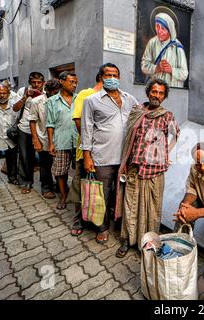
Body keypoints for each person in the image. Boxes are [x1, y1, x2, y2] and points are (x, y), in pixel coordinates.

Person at [115, 78, 180, 258]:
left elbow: (176, 135)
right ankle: (128, 240)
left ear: (164, 96)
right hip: (134, 167)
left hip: (154, 172)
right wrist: (126, 163)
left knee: (151, 208)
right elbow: (129, 138)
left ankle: (148, 243)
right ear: (148, 92)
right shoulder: (137, 111)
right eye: (154, 91)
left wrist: (164, 155)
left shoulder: (167, 116)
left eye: (160, 93)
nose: (156, 95)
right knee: (131, 206)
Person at [81, 63, 138, 242]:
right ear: (101, 77)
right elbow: (86, 128)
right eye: (108, 75)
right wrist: (87, 156)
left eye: (115, 75)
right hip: (102, 156)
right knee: (102, 194)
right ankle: (102, 227)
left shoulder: (130, 99)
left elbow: (140, 118)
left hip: (125, 158)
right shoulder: (92, 100)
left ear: (119, 77)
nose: (112, 78)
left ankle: (119, 222)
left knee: (121, 193)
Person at [68, 72, 103, 236]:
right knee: (81, 187)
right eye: (109, 76)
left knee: (98, 189)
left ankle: (97, 220)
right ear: (102, 78)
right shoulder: (85, 94)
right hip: (86, 152)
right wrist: (91, 147)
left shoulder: (112, 98)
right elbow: (78, 121)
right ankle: (78, 220)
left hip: (105, 155)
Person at [46, 71, 78, 210]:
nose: (74, 85)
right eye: (71, 82)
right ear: (61, 82)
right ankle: (64, 196)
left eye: (76, 82)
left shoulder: (79, 99)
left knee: (79, 172)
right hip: (61, 141)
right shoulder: (52, 101)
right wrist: (51, 143)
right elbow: (50, 123)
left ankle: (78, 197)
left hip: (78, 142)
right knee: (61, 172)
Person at [12, 72, 45, 195]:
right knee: (25, 157)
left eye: (39, 82)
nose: (36, 85)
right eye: (34, 82)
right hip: (25, 128)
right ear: (30, 82)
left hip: (41, 129)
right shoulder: (23, 90)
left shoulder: (46, 91)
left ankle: (46, 184)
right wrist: (25, 96)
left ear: (43, 82)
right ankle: (26, 182)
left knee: (44, 158)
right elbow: (15, 108)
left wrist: (41, 95)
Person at [28, 79, 61, 200]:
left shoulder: (60, 99)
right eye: (52, 92)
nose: (55, 94)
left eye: (57, 92)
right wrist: (35, 140)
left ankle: (59, 185)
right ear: (46, 90)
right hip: (43, 138)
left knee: (59, 164)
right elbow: (32, 121)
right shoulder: (37, 102)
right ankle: (46, 187)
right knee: (45, 164)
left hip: (59, 138)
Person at [141, 12, 188, 88]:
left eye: (163, 28)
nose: (159, 31)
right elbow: (144, 66)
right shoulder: (152, 43)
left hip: (173, 88)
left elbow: (184, 74)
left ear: (170, 30)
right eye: (157, 26)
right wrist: (156, 68)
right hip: (155, 89)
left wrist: (171, 70)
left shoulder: (177, 47)